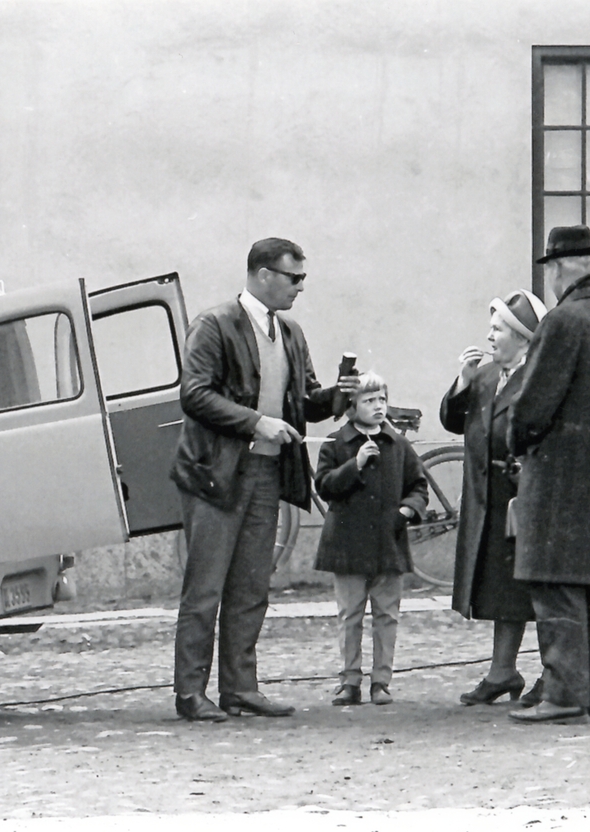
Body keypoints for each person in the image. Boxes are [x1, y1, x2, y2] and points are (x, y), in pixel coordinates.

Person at [170, 237, 357, 721]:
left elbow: (305, 401)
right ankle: (191, 693)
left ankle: (240, 687)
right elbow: (194, 395)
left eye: (303, 279)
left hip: (267, 472)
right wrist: (256, 422)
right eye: (294, 278)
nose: (300, 288)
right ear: (263, 274)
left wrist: (338, 397)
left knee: (253, 587)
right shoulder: (213, 325)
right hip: (216, 475)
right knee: (206, 588)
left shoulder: (291, 333)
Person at [507, 225, 590, 725]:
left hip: (562, 477)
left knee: (555, 583)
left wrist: (514, 442)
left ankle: (564, 694)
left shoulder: (563, 322)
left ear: (556, 268)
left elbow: (534, 404)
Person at [440, 289, 548, 707]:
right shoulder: (485, 376)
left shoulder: (537, 378)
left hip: (519, 501)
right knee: (503, 590)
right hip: (487, 501)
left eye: (498, 329)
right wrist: (462, 382)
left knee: (533, 589)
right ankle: (502, 671)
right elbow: (452, 422)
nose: (489, 337)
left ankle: (552, 671)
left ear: (522, 337)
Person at [314, 372, 429, 707]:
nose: (378, 407)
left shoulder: (399, 444)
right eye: (369, 401)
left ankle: (382, 681)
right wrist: (356, 463)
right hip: (347, 545)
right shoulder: (335, 443)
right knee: (349, 615)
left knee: (386, 615)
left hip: (387, 544)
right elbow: (324, 486)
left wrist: (407, 511)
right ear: (352, 407)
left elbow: (418, 486)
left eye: (382, 399)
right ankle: (350, 680)